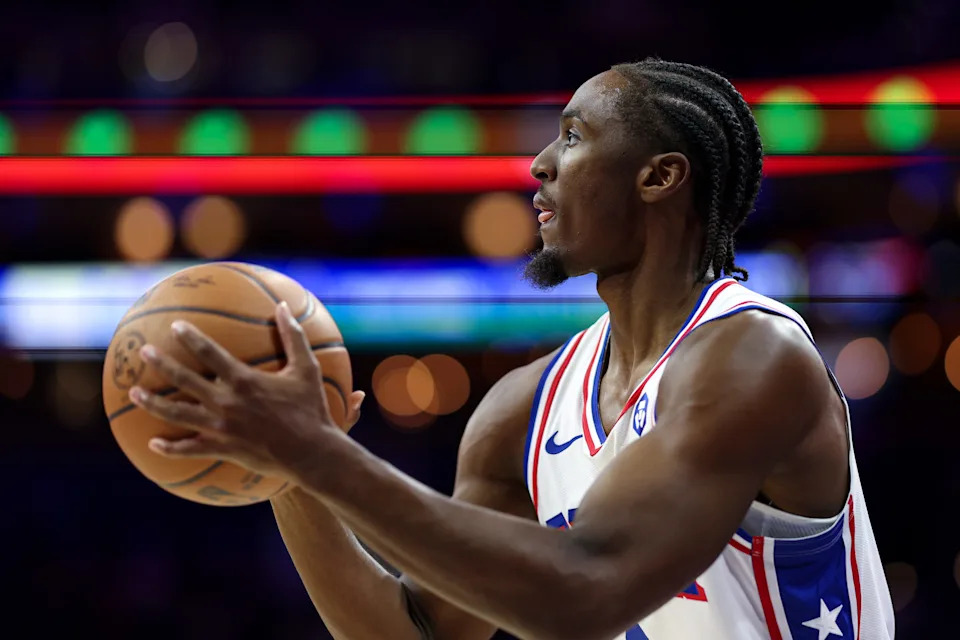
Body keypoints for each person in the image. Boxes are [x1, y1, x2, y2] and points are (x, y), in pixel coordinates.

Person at [129, 58, 895, 639]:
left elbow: (589, 590)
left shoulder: (756, 359)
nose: (538, 165)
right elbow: (414, 633)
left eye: (572, 135)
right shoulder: (523, 409)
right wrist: (288, 476)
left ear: (659, 177)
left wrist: (315, 454)